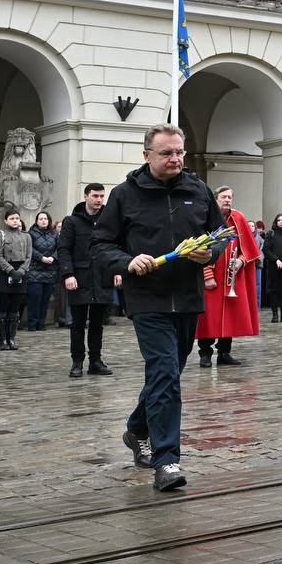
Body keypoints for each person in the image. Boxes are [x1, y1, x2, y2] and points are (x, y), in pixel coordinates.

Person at [92, 123, 226, 492]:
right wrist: (128, 261)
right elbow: (101, 246)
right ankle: (167, 461)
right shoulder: (124, 195)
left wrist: (208, 252)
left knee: (167, 374)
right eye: (167, 153)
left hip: (187, 296)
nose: (175, 159)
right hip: (147, 299)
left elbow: (220, 236)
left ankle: (137, 429)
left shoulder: (198, 190)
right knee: (165, 370)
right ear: (147, 154)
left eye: (180, 152)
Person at [197, 185, 261, 366]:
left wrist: (242, 260)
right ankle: (205, 354)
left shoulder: (238, 217)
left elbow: (249, 248)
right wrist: (206, 274)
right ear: (215, 199)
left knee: (230, 317)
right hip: (212, 277)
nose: (227, 200)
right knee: (208, 318)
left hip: (232, 277)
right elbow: (198, 249)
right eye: (223, 197)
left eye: (230, 197)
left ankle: (224, 353)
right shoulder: (205, 217)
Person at [59, 183, 118, 378]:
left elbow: (116, 246)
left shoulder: (109, 220)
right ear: (86, 196)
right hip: (80, 278)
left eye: (102, 196)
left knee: (97, 324)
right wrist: (68, 274)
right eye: (95, 196)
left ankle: (95, 361)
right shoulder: (72, 222)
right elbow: (64, 249)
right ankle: (77, 362)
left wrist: (118, 269)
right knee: (77, 324)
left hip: (102, 278)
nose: (99, 200)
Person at [0, 209, 32, 351]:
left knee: (15, 307)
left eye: (17, 218)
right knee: (3, 306)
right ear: (6, 221)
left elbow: (29, 256)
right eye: (12, 218)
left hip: (20, 272)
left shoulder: (26, 237)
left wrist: (20, 271)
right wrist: (10, 271)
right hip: (4, 272)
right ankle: (3, 340)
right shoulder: (0, 235)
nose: (15, 221)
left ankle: (12, 338)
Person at [26, 211, 58, 331]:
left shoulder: (54, 234)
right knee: (35, 297)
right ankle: (32, 323)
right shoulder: (31, 233)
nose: (43, 221)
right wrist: (41, 258)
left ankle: (41, 323)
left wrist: (53, 257)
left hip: (50, 271)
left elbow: (60, 248)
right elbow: (30, 249)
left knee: (45, 299)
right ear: (37, 221)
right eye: (41, 219)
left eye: (45, 218)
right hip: (35, 271)